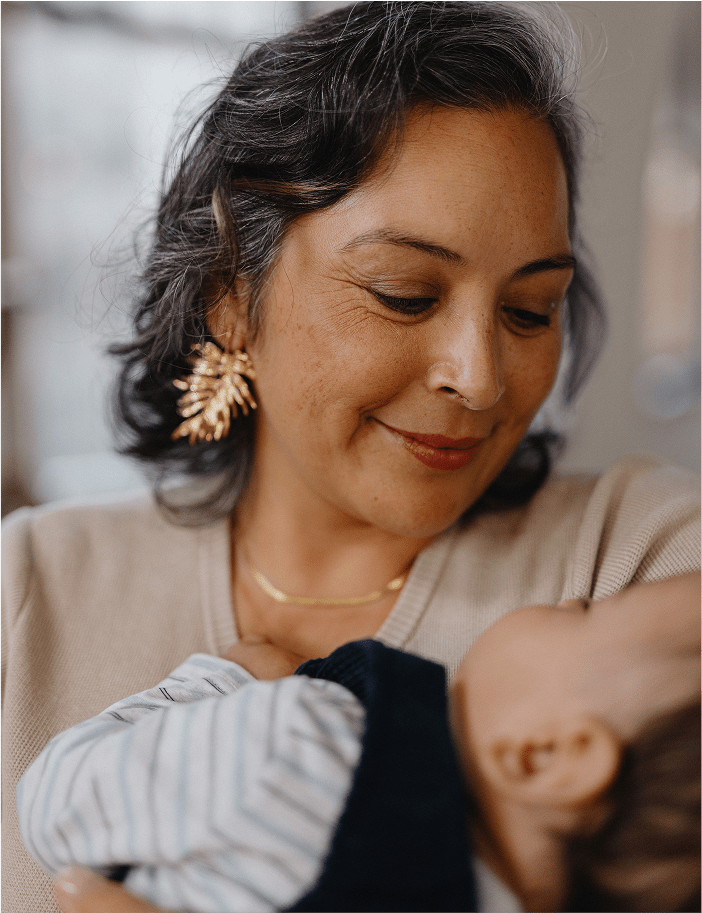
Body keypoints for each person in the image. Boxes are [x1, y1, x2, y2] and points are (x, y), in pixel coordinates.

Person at [1, 3, 700, 912]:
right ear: (230, 296)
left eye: (531, 310)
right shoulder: (28, 595)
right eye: (405, 294)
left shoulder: (646, 563)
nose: (481, 378)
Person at [17, 574, 701, 913]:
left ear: (543, 755)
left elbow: (52, 801)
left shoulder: (300, 745)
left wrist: (225, 680)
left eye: (585, 610)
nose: (567, 599)